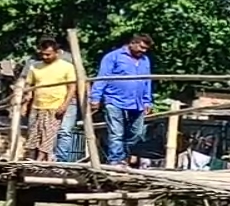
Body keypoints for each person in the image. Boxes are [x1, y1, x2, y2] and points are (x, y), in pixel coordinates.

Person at [90, 33, 155, 167]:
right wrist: (95, 97)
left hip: (137, 103)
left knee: (136, 133)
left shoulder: (145, 60)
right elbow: (102, 77)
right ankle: (115, 160)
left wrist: (147, 100)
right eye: (141, 47)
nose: (143, 51)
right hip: (114, 100)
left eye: (146, 49)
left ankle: (123, 156)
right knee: (116, 133)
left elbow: (147, 80)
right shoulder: (113, 57)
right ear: (132, 43)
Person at [23, 38, 77, 161]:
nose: (45, 57)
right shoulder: (35, 67)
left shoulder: (67, 67)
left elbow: (71, 87)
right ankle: (32, 158)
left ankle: (44, 160)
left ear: (56, 53)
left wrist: (64, 105)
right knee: (34, 133)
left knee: (49, 134)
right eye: (43, 54)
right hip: (38, 105)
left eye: (48, 54)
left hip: (55, 105)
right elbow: (29, 83)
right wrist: (27, 97)